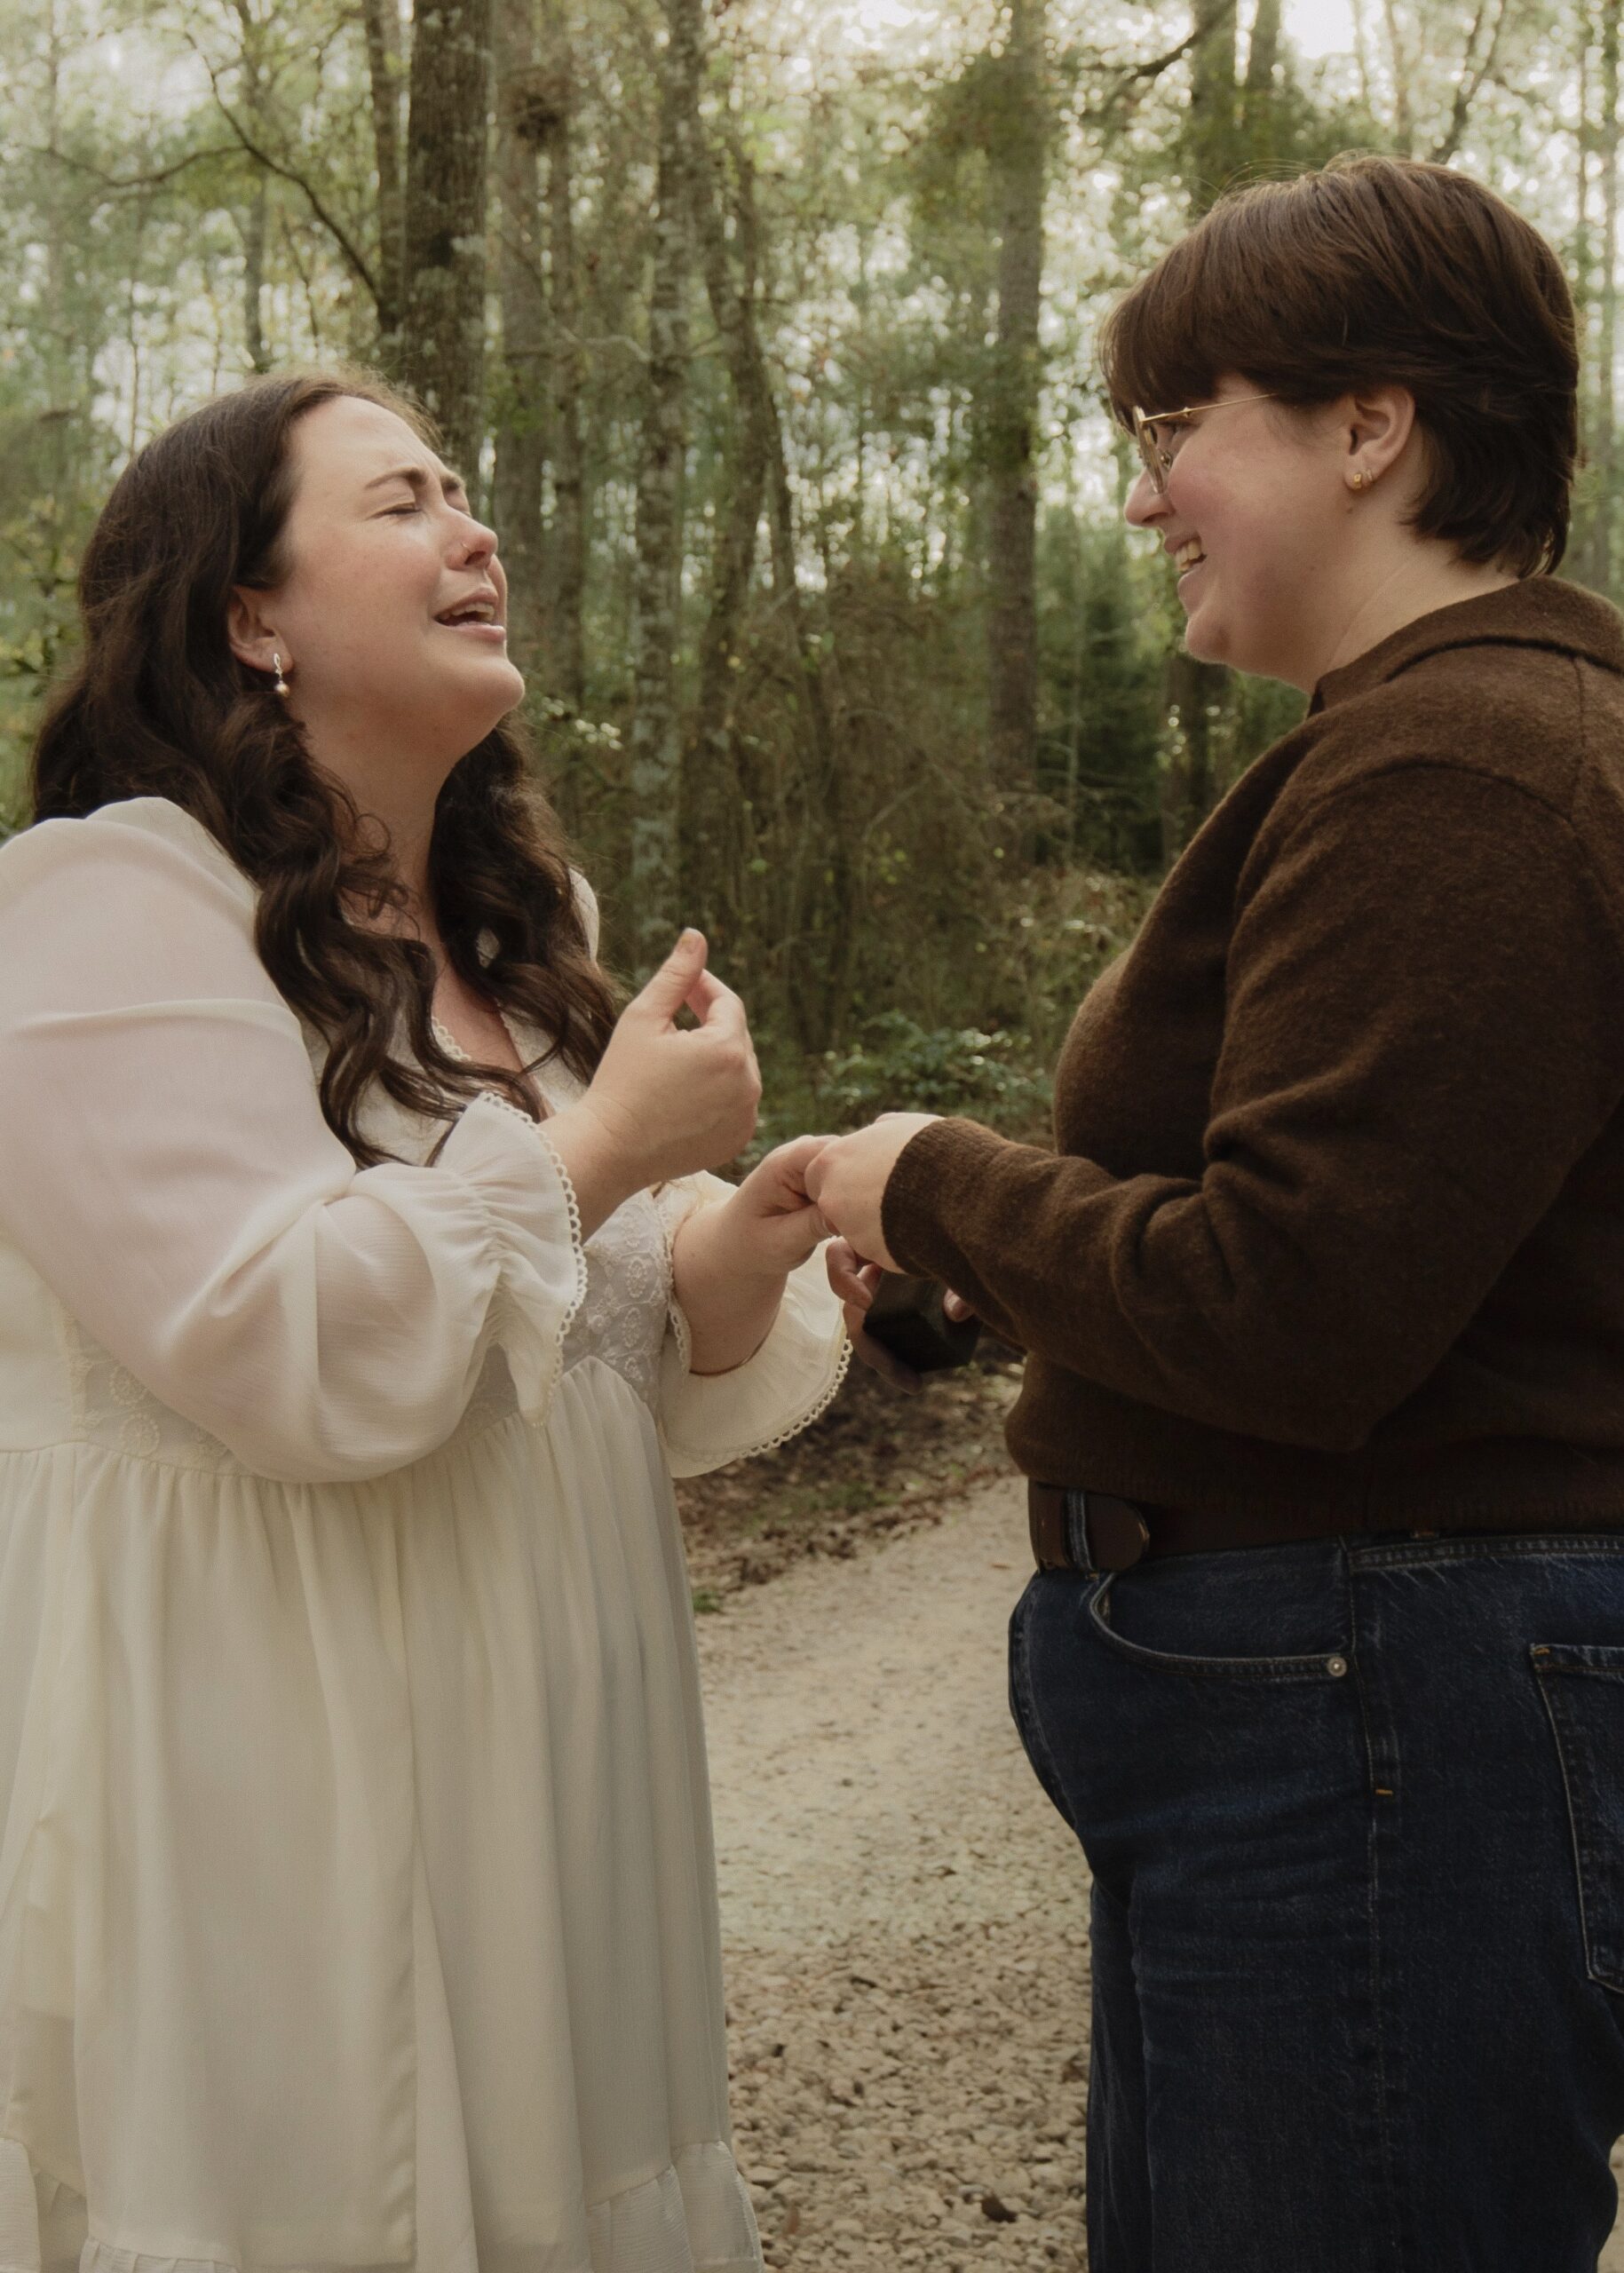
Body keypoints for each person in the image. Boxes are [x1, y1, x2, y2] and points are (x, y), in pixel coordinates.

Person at [808, 154, 1624, 2269]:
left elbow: (1296, 1303)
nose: (1142, 492)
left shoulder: (1465, 765)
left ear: (1373, 426)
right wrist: (968, 1268)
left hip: (1372, 1701)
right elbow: (1362, 1240)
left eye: (1179, 425)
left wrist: (938, 1174)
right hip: (1345, 1696)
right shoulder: (1430, 748)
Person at [0, 369, 847, 2273]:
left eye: (467, 493)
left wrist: (734, 1239)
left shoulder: (518, 931)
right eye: (404, 503)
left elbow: (561, 1338)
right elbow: (284, 1344)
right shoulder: (101, 912)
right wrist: (609, 1142)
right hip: (264, 1771)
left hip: (546, 1762)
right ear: (251, 615)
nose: (478, 534)